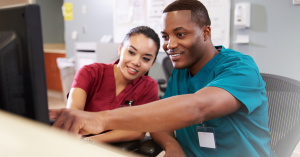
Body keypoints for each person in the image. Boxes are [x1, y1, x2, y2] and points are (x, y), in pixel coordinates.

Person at [49, 0, 275, 156]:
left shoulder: (240, 68)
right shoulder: (180, 72)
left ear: (206, 32)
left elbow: (198, 108)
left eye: (180, 34)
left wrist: (102, 119)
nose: (170, 45)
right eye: (166, 36)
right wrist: (171, 144)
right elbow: (162, 118)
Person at [65, 26, 161, 144]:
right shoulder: (90, 73)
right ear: (120, 49)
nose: (136, 62)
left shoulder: (149, 87)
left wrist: (90, 141)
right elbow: (72, 116)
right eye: (131, 52)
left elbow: (138, 131)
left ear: (152, 63)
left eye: (146, 58)